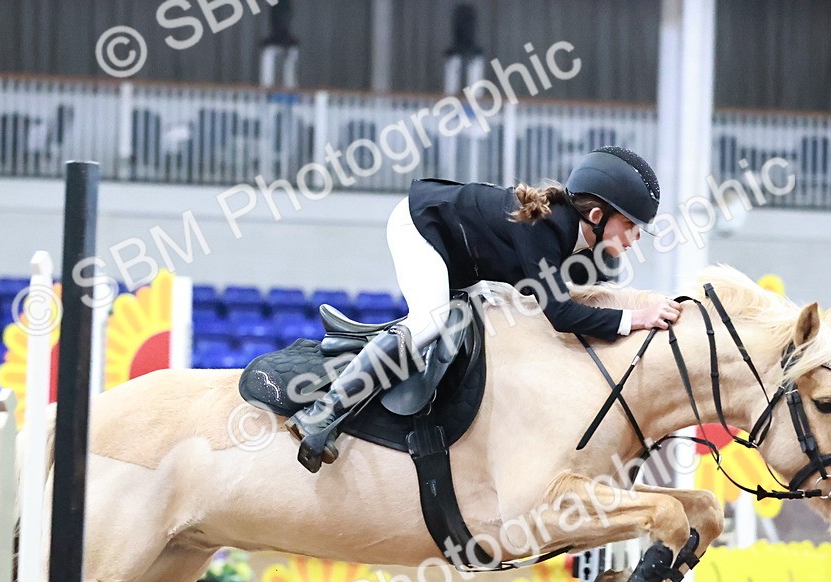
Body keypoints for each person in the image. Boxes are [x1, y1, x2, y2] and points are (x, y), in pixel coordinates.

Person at [284, 146, 680, 472]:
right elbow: (560, 316)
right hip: (421, 227)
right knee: (428, 323)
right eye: (631, 226)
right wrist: (637, 319)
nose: (635, 238)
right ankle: (322, 412)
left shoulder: (576, 239)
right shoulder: (544, 229)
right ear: (597, 216)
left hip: (463, 256)